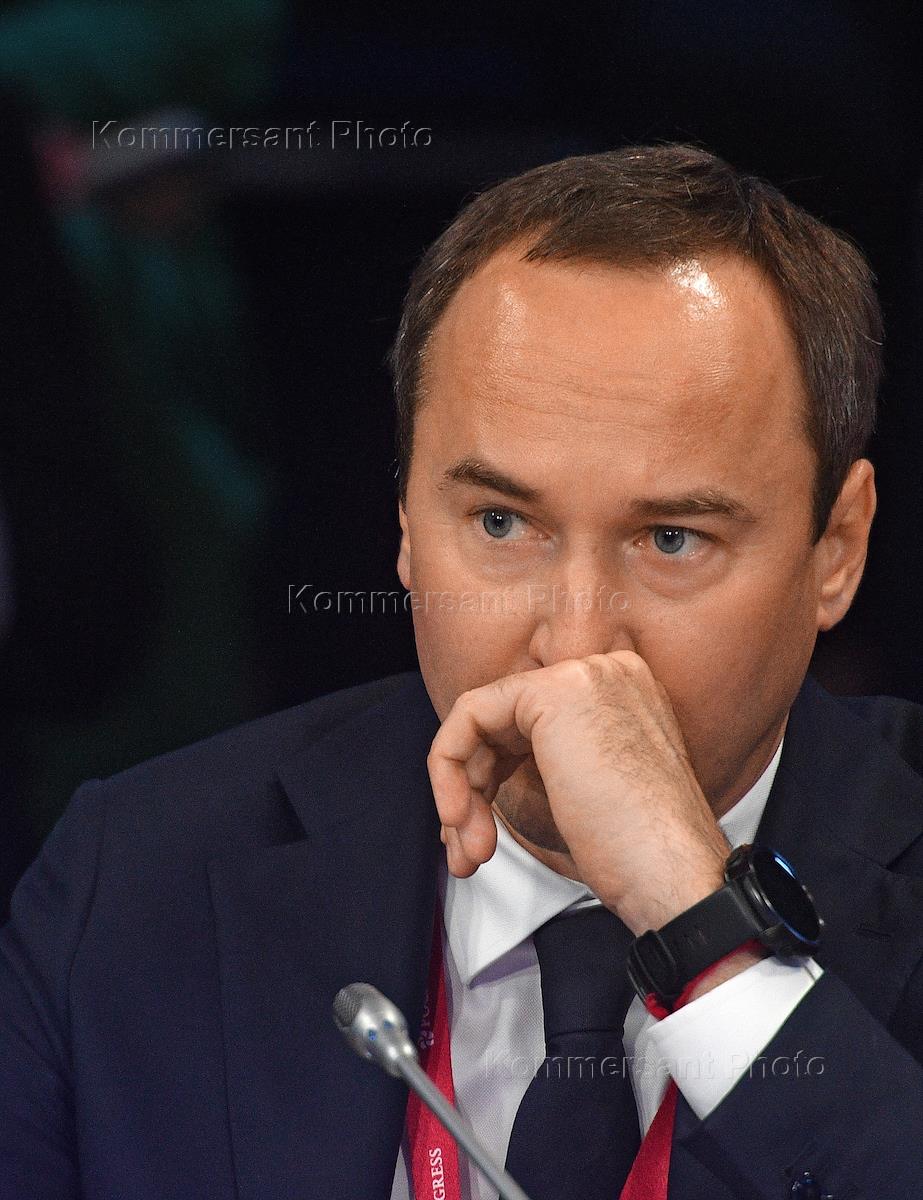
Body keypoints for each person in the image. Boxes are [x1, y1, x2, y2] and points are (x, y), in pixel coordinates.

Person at [1, 143, 922, 1200]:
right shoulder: (131, 884)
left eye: (671, 539)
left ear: (835, 549)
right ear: (404, 521)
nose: (573, 646)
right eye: (499, 523)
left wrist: (704, 928)